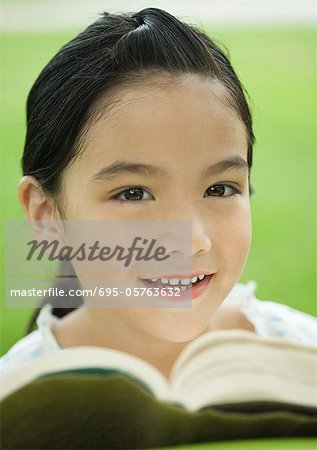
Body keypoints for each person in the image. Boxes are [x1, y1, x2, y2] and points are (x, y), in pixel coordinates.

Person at [0, 7, 316, 378]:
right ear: (46, 215)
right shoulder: (16, 404)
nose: (191, 240)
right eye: (133, 193)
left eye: (219, 188)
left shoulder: (303, 356)